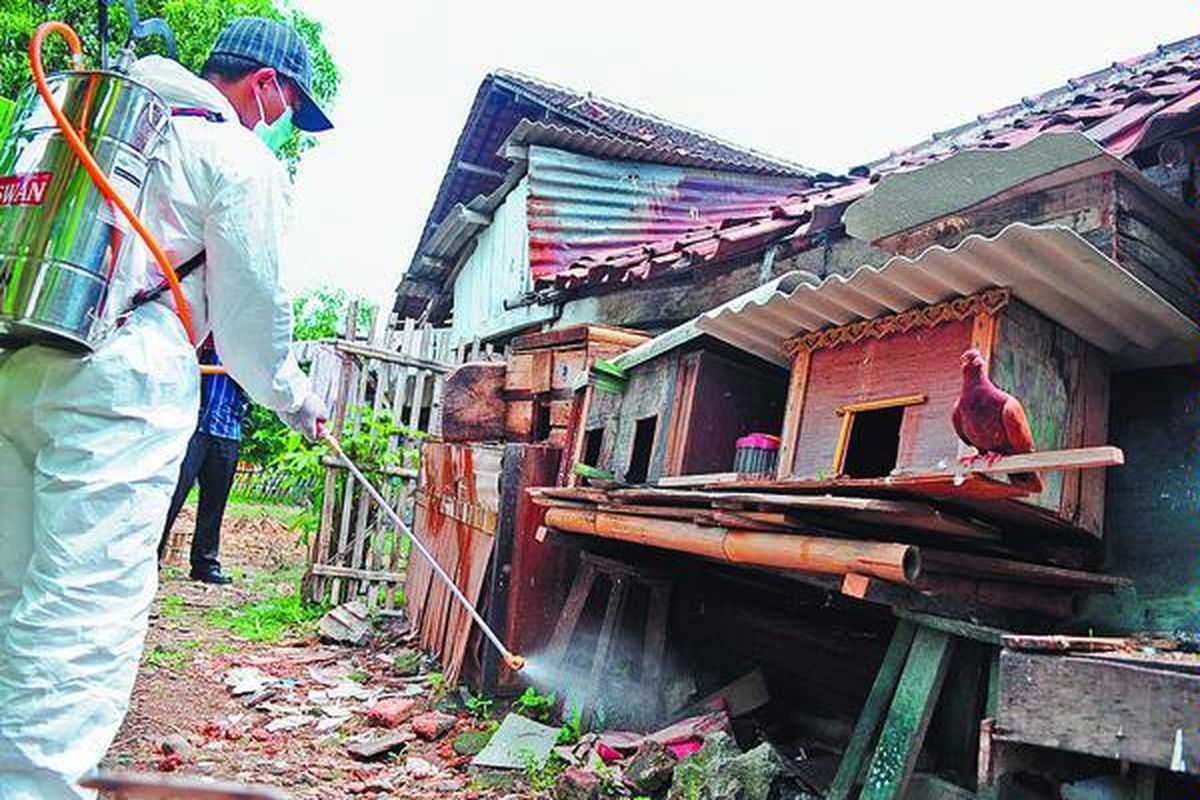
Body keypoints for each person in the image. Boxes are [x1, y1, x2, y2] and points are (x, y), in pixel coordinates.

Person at [0, 17, 331, 798]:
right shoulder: (231, 152)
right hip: (118, 384)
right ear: (265, 87)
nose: (283, 125)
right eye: (288, 108)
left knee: (11, 584)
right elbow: (255, 328)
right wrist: (299, 402)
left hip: (21, 357)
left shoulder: (88, 112)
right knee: (84, 604)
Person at [158, 342, 249, 585]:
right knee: (172, 493)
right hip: (191, 426)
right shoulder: (202, 335)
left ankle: (205, 563)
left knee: (214, 502)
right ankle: (150, 555)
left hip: (228, 426)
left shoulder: (245, 346)